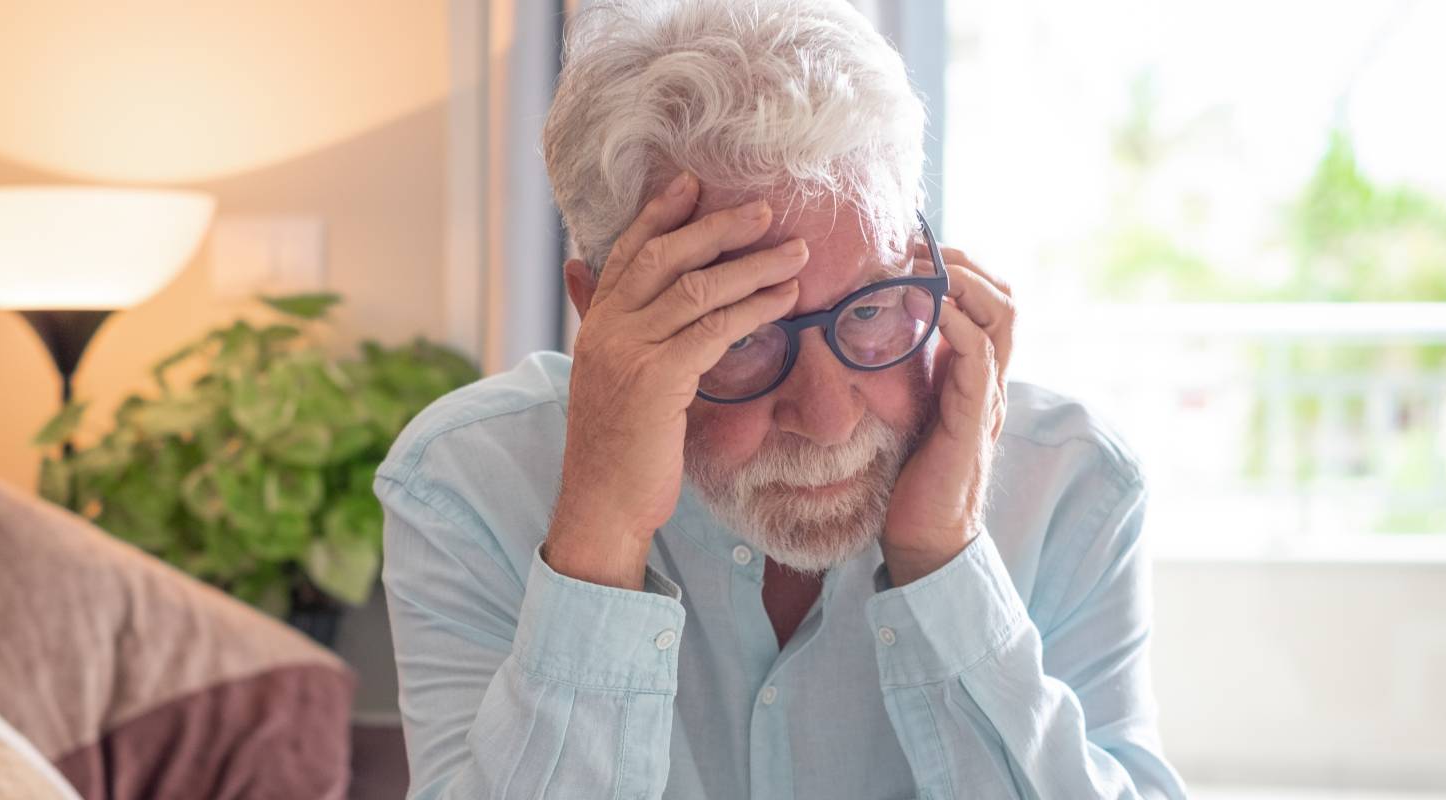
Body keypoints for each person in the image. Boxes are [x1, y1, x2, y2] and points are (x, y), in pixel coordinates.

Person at [374, 1, 1186, 797]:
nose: (830, 418)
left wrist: (944, 563)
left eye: (868, 309)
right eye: (737, 334)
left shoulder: (1072, 481)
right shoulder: (464, 482)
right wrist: (599, 540)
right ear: (602, 312)